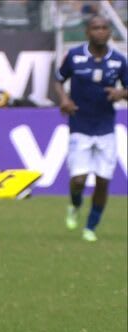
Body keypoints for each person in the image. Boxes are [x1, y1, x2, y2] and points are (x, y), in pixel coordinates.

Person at [54, 15, 127, 242]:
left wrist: (121, 93)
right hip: (80, 125)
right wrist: (64, 99)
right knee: (78, 180)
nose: (101, 32)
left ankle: (90, 227)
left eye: (105, 28)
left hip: (106, 128)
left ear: (110, 33)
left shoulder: (119, 61)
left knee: (103, 181)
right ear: (88, 32)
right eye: (96, 28)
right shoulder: (75, 56)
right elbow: (58, 79)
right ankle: (75, 204)